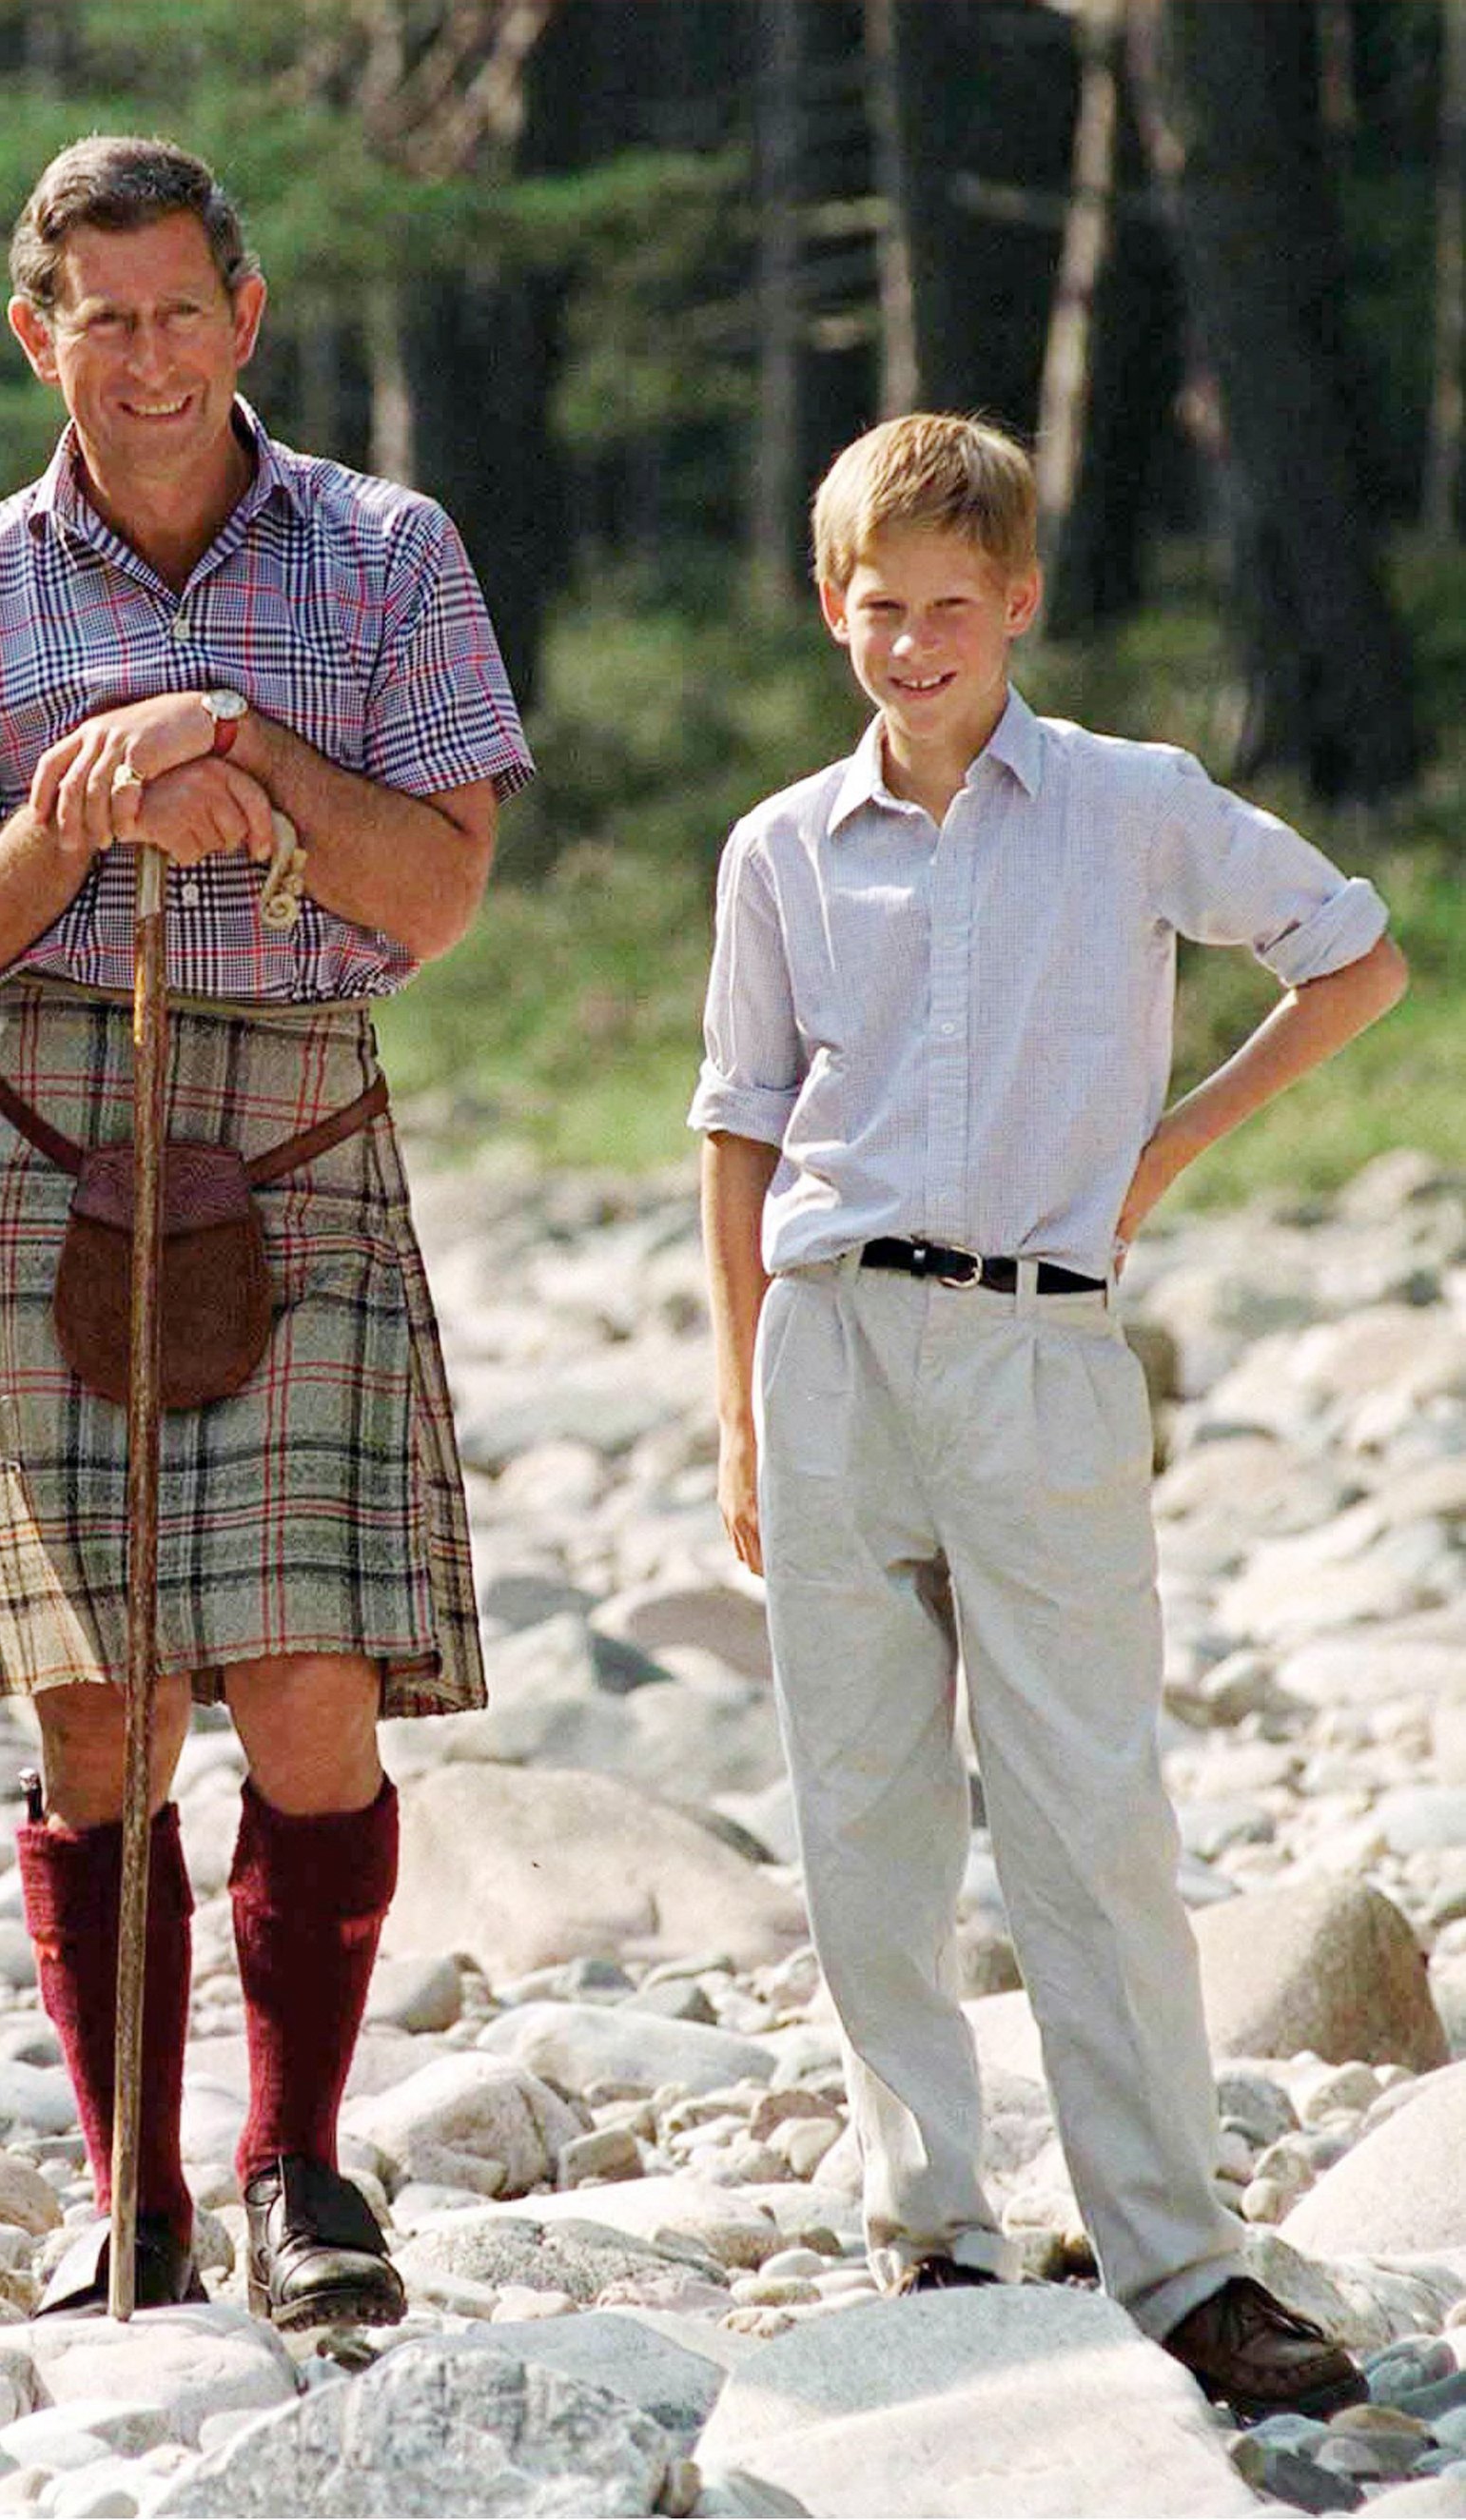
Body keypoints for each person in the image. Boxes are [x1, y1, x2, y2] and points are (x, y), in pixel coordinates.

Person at [0, 135, 533, 2324]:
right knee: (97, 1717)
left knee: (313, 1690)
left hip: (300, 1127)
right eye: (94, 318)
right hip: (50, 1130)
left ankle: (296, 2173)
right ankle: (127, 2191)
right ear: (40, 332)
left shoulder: (392, 553)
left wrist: (237, 737)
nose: (140, 359)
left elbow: (429, 892)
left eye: (175, 311)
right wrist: (86, 805)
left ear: (248, 314)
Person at [691, 412, 1406, 2419]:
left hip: (1038, 1350)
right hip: (828, 1346)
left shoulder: (1126, 802)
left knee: (1089, 1810)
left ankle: (1179, 2255)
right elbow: (742, 1128)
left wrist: (1160, 1158)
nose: (910, 644)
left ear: (1015, 602)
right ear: (829, 606)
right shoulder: (779, 850)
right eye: (873, 609)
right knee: (865, 1813)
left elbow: (1351, 957)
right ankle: (928, 2224)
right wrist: (741, 1410)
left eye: (947, 608)